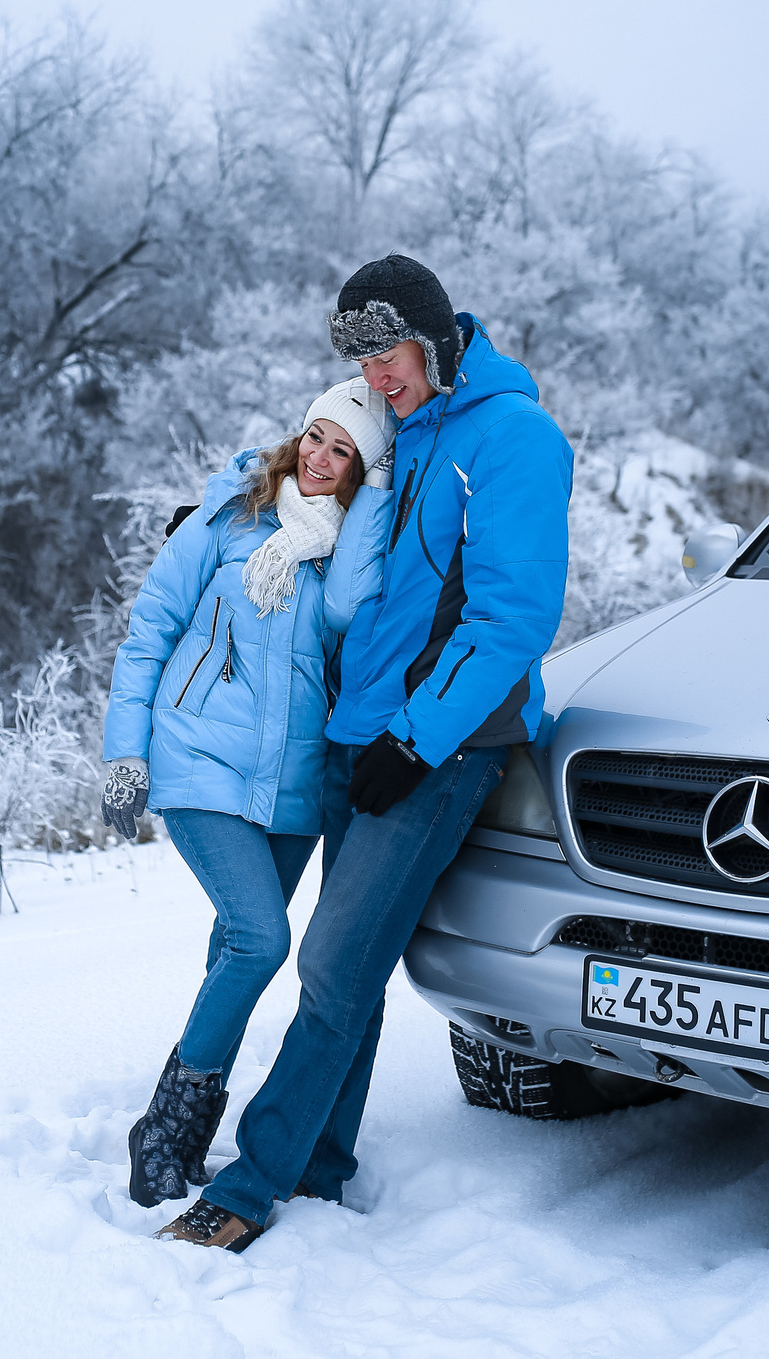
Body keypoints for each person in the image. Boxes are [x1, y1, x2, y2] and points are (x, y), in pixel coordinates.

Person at [157, 254, 574, 1250]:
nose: (376, 377)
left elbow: (511, 619)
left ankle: (254, 1183)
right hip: (357, 734)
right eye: (361, 361)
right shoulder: (410, 428)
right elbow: (341, 532)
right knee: (356, 971)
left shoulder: (513, 437)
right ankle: (321, 1166)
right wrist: (228, 519)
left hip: (439, 746)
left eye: (387, 355)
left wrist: (419, 736)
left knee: (333, 966)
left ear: (433, 340)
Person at [104, 378, 396, 1207]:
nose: (320, 457)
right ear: (296, 433)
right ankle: (164, 1126)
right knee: (260, 940)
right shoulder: (231, 514)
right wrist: (125, 754)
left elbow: (345, 610)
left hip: (293, 785)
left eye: (344, 451)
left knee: (230, 945)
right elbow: (152, 624)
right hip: (198, 754)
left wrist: (368, 500)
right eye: (315, 436)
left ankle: (189, 1131)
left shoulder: (347, 549)